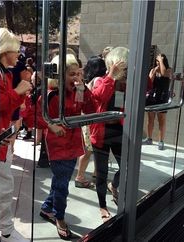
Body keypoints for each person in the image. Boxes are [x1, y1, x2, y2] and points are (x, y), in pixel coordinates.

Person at [0, 28, 32, 242]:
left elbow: (5, 108)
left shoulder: (2, 73)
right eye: (15, 50)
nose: (18, 54)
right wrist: (18, 91)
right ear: (3, 52)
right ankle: (6, 231)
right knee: (1, 187)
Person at [36, 54, 96, 240]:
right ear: (60, 76)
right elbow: (37, 116)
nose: (77, 78)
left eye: (78, 73)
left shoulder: (78, 91)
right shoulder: (52, 95)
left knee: (60, 181)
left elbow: (91, 110)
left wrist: (84, 90)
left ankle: (47, 209)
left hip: (72, 145)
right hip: (58, 147)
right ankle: (59, 217)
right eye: (72, 74)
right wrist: (51, 126)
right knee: (62, 185)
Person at [90, 47, 129, 222]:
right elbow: (98, 97)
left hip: (119, 131)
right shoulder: (100, 80)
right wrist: (110, 77)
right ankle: (102, 205)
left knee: (126, 166)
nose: (123, 69)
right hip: (101, 132)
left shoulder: (124, 83)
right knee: (101, 173)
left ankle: (114, 185)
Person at [75, 55, 107, 188]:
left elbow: (79, 99)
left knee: (88, 149)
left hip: (85, 118)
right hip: (91, 120)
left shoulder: (88, 80)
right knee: (88, 151)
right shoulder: (99, 80)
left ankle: (92, 174)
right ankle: (80, 177)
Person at [143, 53, 172, 150]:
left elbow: (164, 74)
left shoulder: (168, 70)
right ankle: (149, 138)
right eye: (157, 60)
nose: (158, 62)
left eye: (159, 60)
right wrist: (154, 72)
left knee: (161, 119)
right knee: (150, 118)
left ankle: (161, 141)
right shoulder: (154, 70)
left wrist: (161, 61)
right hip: (153, 96)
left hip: (162, 97)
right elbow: (149, 82)